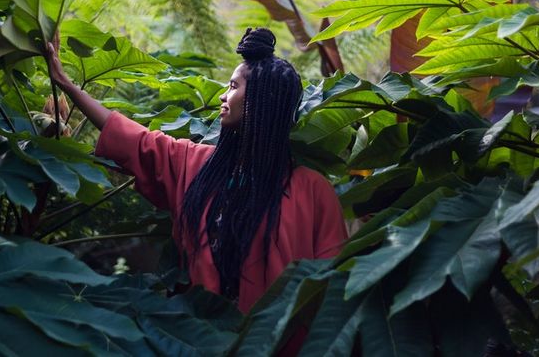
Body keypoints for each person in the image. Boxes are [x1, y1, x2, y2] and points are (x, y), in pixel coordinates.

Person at [46, 27, 347, 314]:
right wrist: (66, 84)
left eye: (232, 86)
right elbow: (135, 140)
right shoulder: (197, 164)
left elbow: (330, 288)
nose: (222, 97)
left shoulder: (314, 191)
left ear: (260, 100)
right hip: (199, 337)